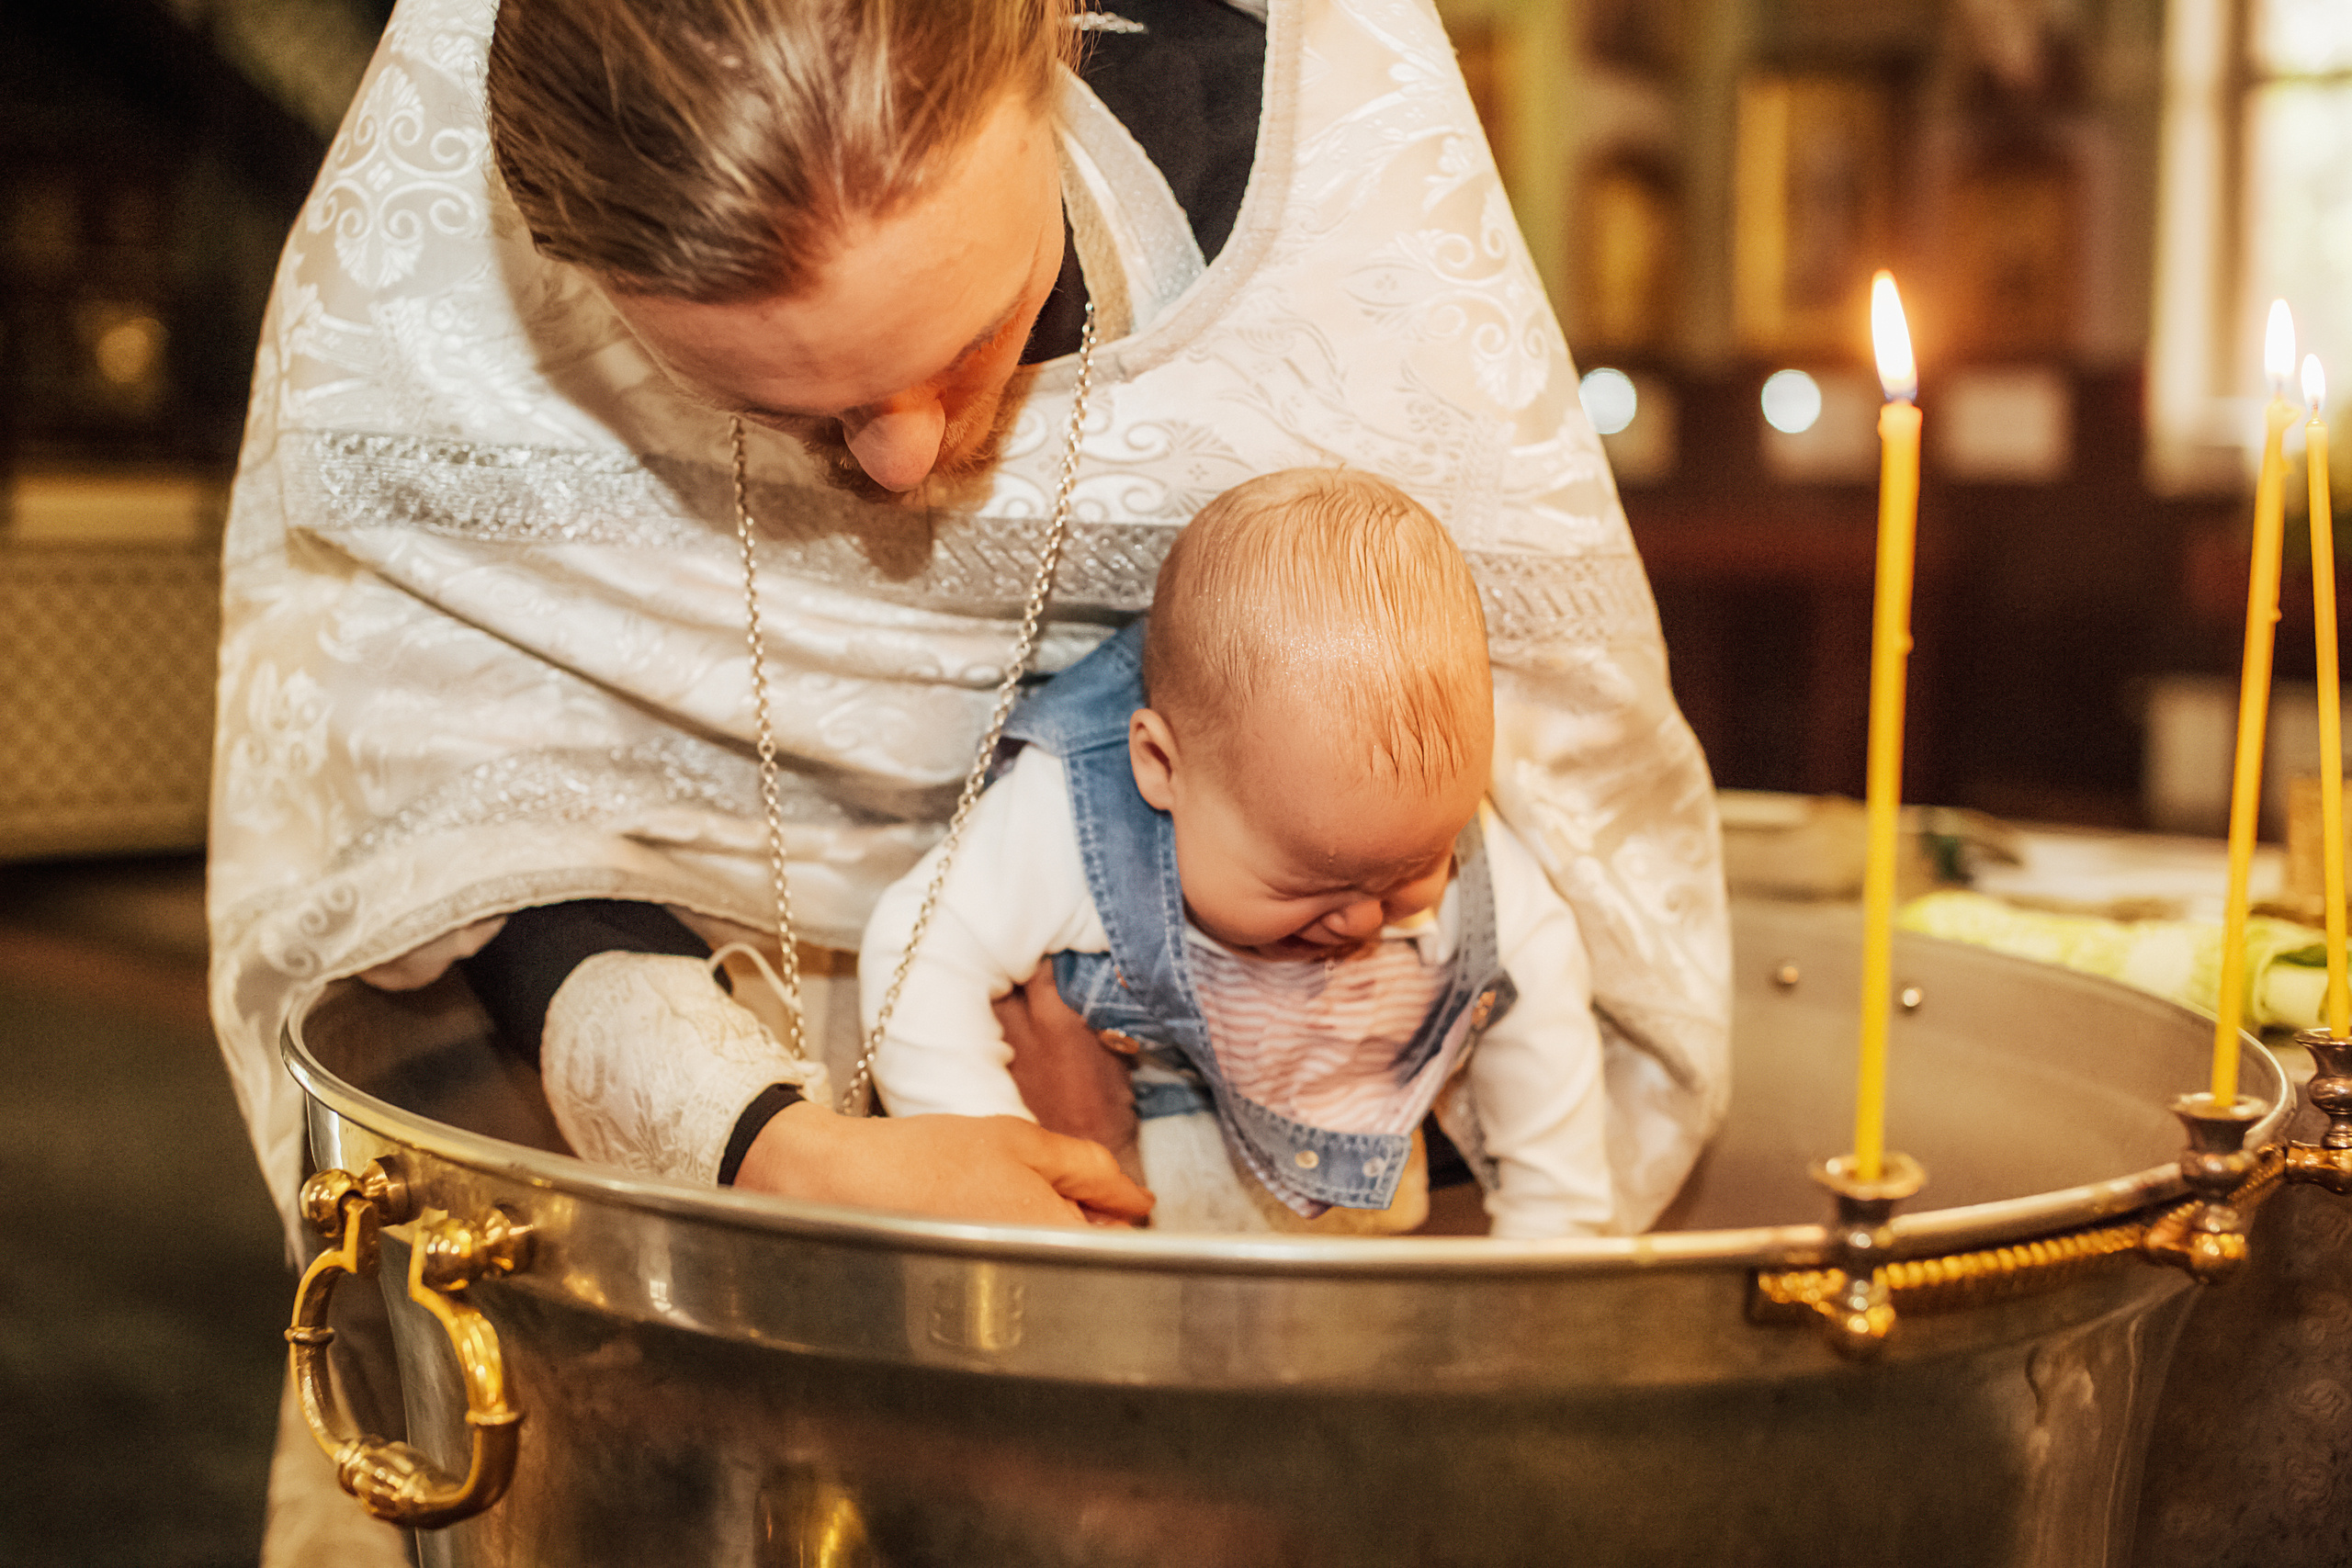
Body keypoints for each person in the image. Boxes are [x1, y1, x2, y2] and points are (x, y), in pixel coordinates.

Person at [209, 0, 1730, 1555]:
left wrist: (1173, 1141)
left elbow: (1515, 882)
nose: (901, 463)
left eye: (974, 338)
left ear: (1055, 41)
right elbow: (441, 816)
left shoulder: (1314, 146)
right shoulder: (465, 245)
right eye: (770, 404)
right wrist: (781, 1151)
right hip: (652, 1148)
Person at [865, 468, 1613, 1237]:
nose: (1360, 917)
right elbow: (915, 951)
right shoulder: (1073, 812)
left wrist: (1553, 1224)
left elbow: (1540, 984)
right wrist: (999, 1158)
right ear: (1162, 767)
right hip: (1128, 1165)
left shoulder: (1434, 826)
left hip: (1348, 1197)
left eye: (1408, 874)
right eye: (1308, 883)